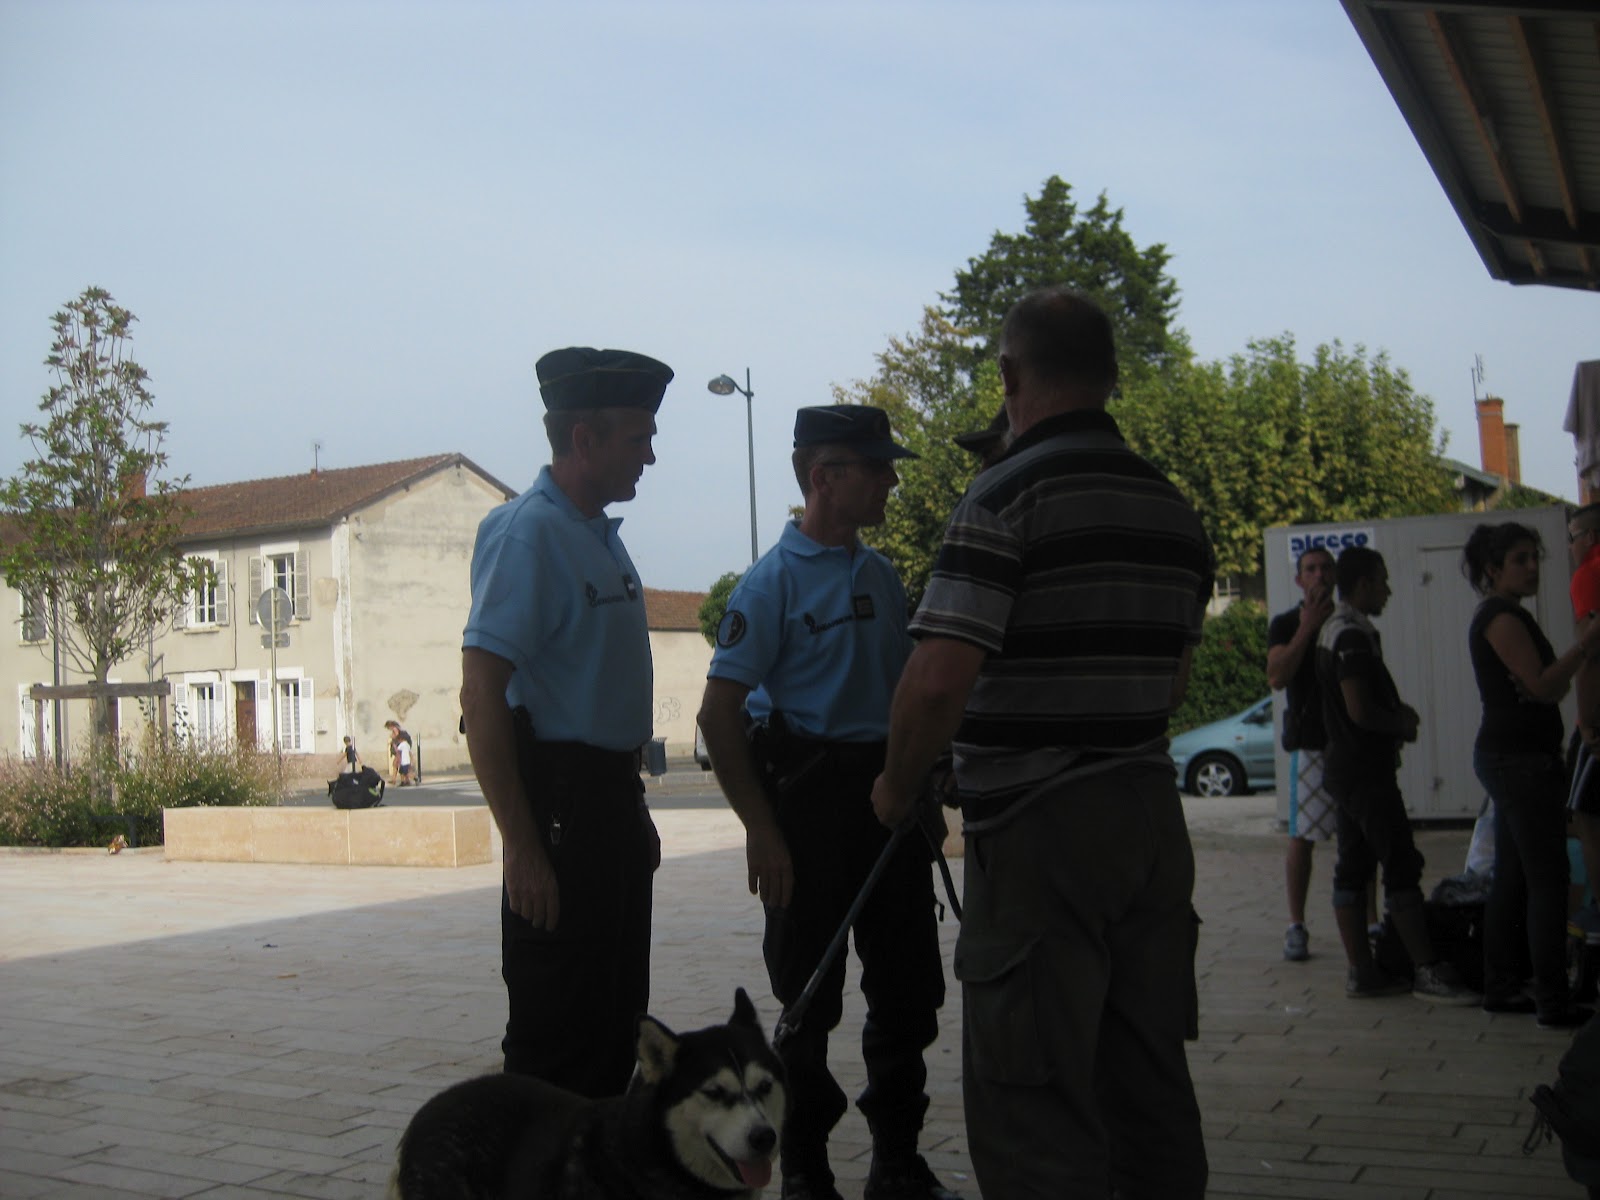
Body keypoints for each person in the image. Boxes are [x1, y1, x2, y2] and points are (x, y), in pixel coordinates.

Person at [870, 287, 1211, 1200]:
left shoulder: (1005, 495)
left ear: (1010, 374)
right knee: (1148, 1083)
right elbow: (1174, 684)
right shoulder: (1173, 510)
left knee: (1034, 1105)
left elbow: (936, 679)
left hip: (1041, 831)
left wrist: (897, 786)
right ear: (1110, 377)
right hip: (1150, 821)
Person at [697, 404, 957, 1200]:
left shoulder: (880, 575)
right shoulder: (769, 584)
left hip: (888, 802)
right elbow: (718, 713)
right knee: (807, 1004)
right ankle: (806, 1172)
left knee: (908, 993)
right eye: (875, 468)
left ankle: (897, 1162)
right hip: (809, 809)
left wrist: (922, 788)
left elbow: (905, 693)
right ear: (822, 477)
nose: (890, 482)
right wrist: (761, 829)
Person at [460, 346, 670, 1096]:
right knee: (557, 1045)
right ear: (585, 439)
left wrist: (630, 815)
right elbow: (481, 694)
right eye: (638, 438)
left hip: (608, 803)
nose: (650, 455)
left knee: (616, 1027)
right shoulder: (529, 534)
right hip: (561, 811)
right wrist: (521, 845)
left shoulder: (595, 534)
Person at [1315, 545, 1479, 1002]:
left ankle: (1362, 972)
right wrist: (1400, 723)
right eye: (1382, 581)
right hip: (1365, 771)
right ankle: (1426, 968)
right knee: (1400, 862)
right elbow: (1359, 709)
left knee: (1353, 866)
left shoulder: (1334, 630)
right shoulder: (1351, 637)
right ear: (1364, 583)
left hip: (1346, 769)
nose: (1387, 590)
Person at [1462, 521, 1596, 1027]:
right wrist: (1585, 646)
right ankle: (1552, 1000)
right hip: (1518, 761)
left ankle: (1503, 986)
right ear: (1493, 569)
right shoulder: (1501, 617)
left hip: (1515, 758)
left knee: (1516, 876)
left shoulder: (1506, 614)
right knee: (1548, 879)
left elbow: (1545, 687)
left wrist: (1554, 680)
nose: (1532, 567)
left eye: (1535, 557)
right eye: (1520, 559)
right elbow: (1544, 685)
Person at [1267, 546, 1337, 962]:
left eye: (1326, 568)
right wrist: (1307, 627)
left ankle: (1370, 922)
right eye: (1310, 569)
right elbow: (1277, 676)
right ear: (1299, 579)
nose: (1319, 575)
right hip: (1310, 744)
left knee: (1360, 838)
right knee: (1302, 837)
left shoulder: (1348, 622)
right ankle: (1296, 924)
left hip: (1350, 745)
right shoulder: (1285, 624)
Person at [1567, 502, 1600, 947]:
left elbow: (1591, 652)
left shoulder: (1589, 574)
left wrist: (1589, 723)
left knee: (1585, 818)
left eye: (1573, 538)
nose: (1571, 547)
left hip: (1598, 719)